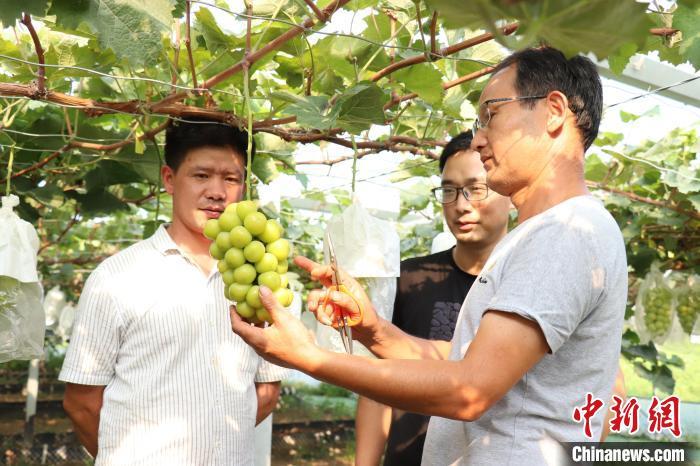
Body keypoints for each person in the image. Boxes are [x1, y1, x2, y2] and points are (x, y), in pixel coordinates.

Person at [231, 46, 628, 466]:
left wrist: (308, 356)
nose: (478, 138)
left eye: (490, 115)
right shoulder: (545, 233)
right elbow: (468, 362)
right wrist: (374, 331)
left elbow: (469, 388)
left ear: (552, 111)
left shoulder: (565, 232)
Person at [60, 119, 286, 465]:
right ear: (169, 179)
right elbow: (82, 403)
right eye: (201, 175)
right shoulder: (116, 278)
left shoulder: (259, 281)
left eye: (231, 178)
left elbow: (267, 392)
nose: (217, 191)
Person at [354, 131, 511, 466]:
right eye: (449, 190)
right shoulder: (409, 278)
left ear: (508, 190)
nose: (461, 204)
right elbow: (377, 387)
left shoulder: (525, 282)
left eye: (476, 188)